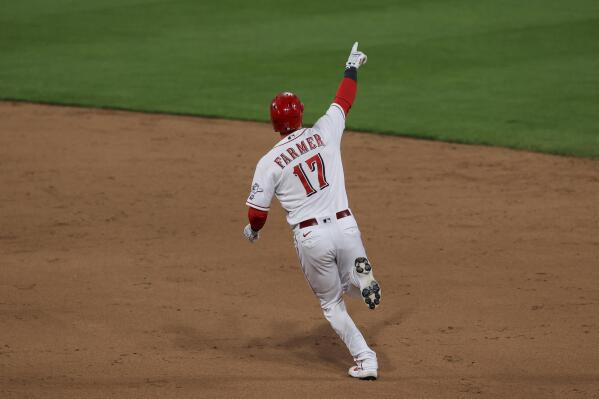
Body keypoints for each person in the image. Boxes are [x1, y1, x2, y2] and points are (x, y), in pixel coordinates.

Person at [243, 42, 381, 380]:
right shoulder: (325, 131)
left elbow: (257, 213)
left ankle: (366, 359)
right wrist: (351, 66)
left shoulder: (269, 162)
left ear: (275, 123)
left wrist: (254, 231)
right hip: (346, 226)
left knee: (332, 303)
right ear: (301, 113)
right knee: (350, 284)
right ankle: (360, 278)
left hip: (312, 236)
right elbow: (343, 100)